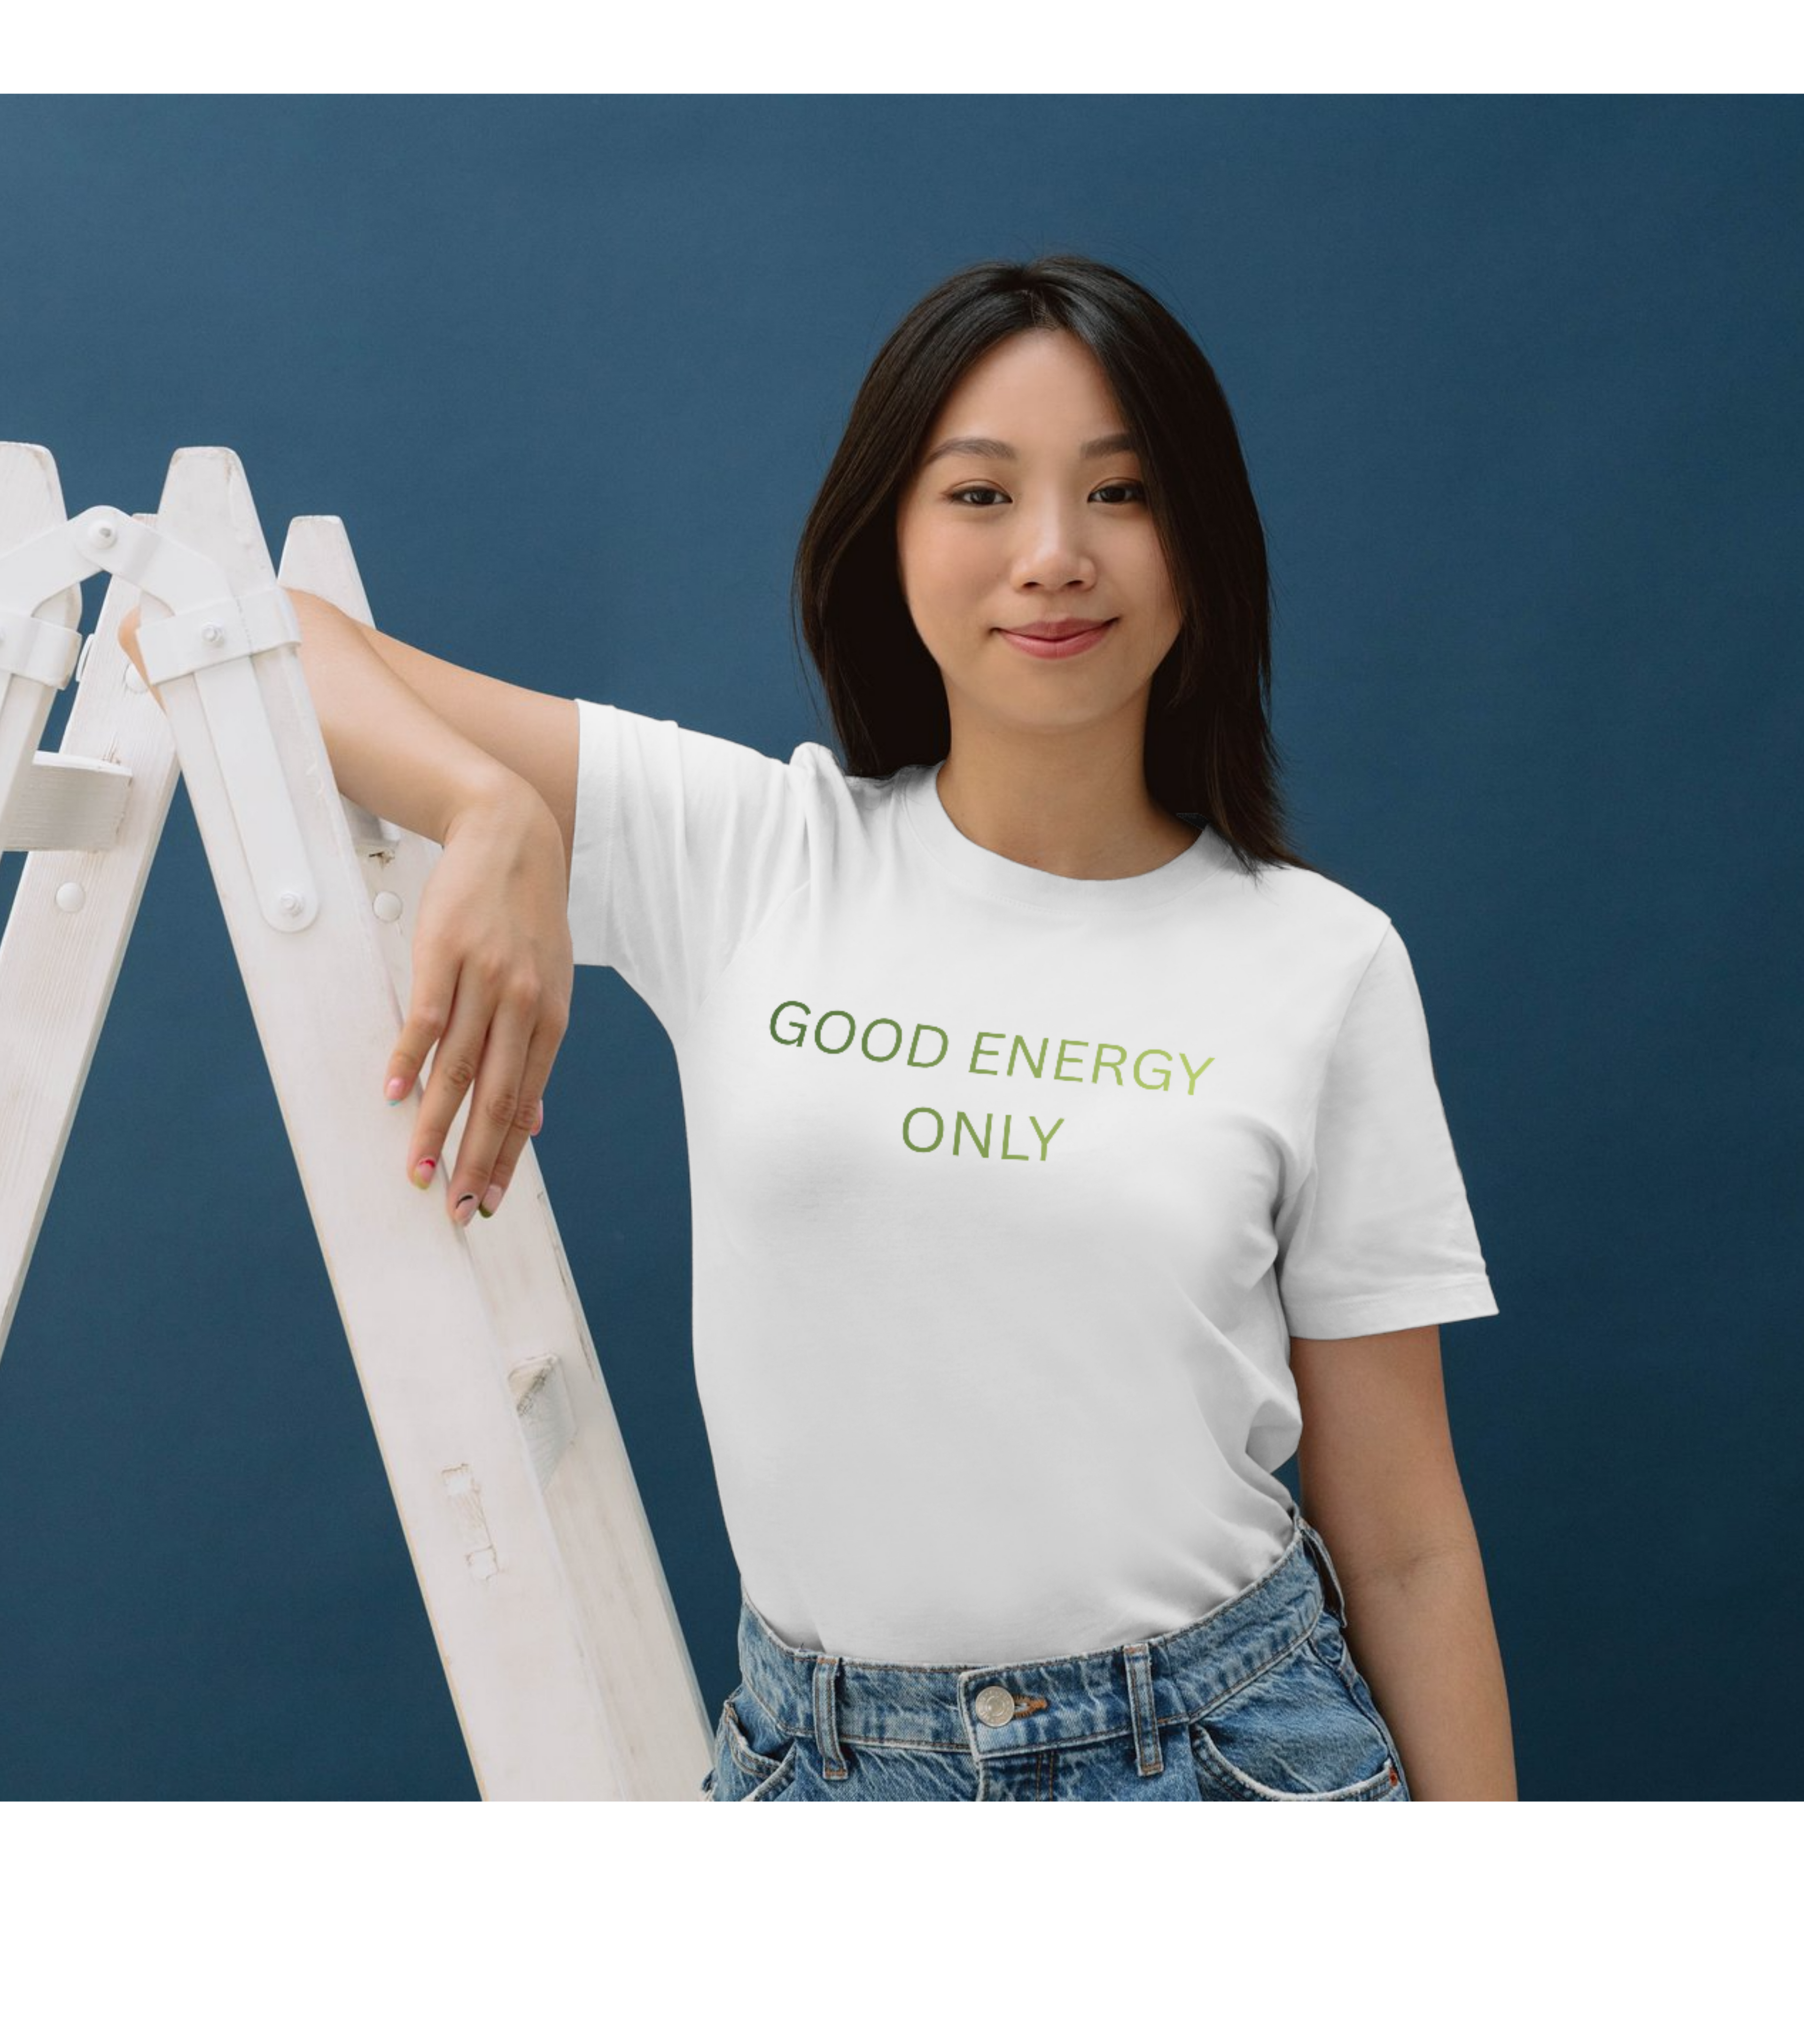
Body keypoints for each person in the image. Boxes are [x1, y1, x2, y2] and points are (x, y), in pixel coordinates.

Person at [121, 254, 1515, 1803]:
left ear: (1203, 543)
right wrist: (486, 805)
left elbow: (1405, 1547)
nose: (1053, 556)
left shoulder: (1321, 962)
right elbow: (218, 626)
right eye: (980, 495)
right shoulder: (751, 850)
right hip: (829, 1761)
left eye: (1121, 493)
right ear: (890, 539)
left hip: (1225, 1748)